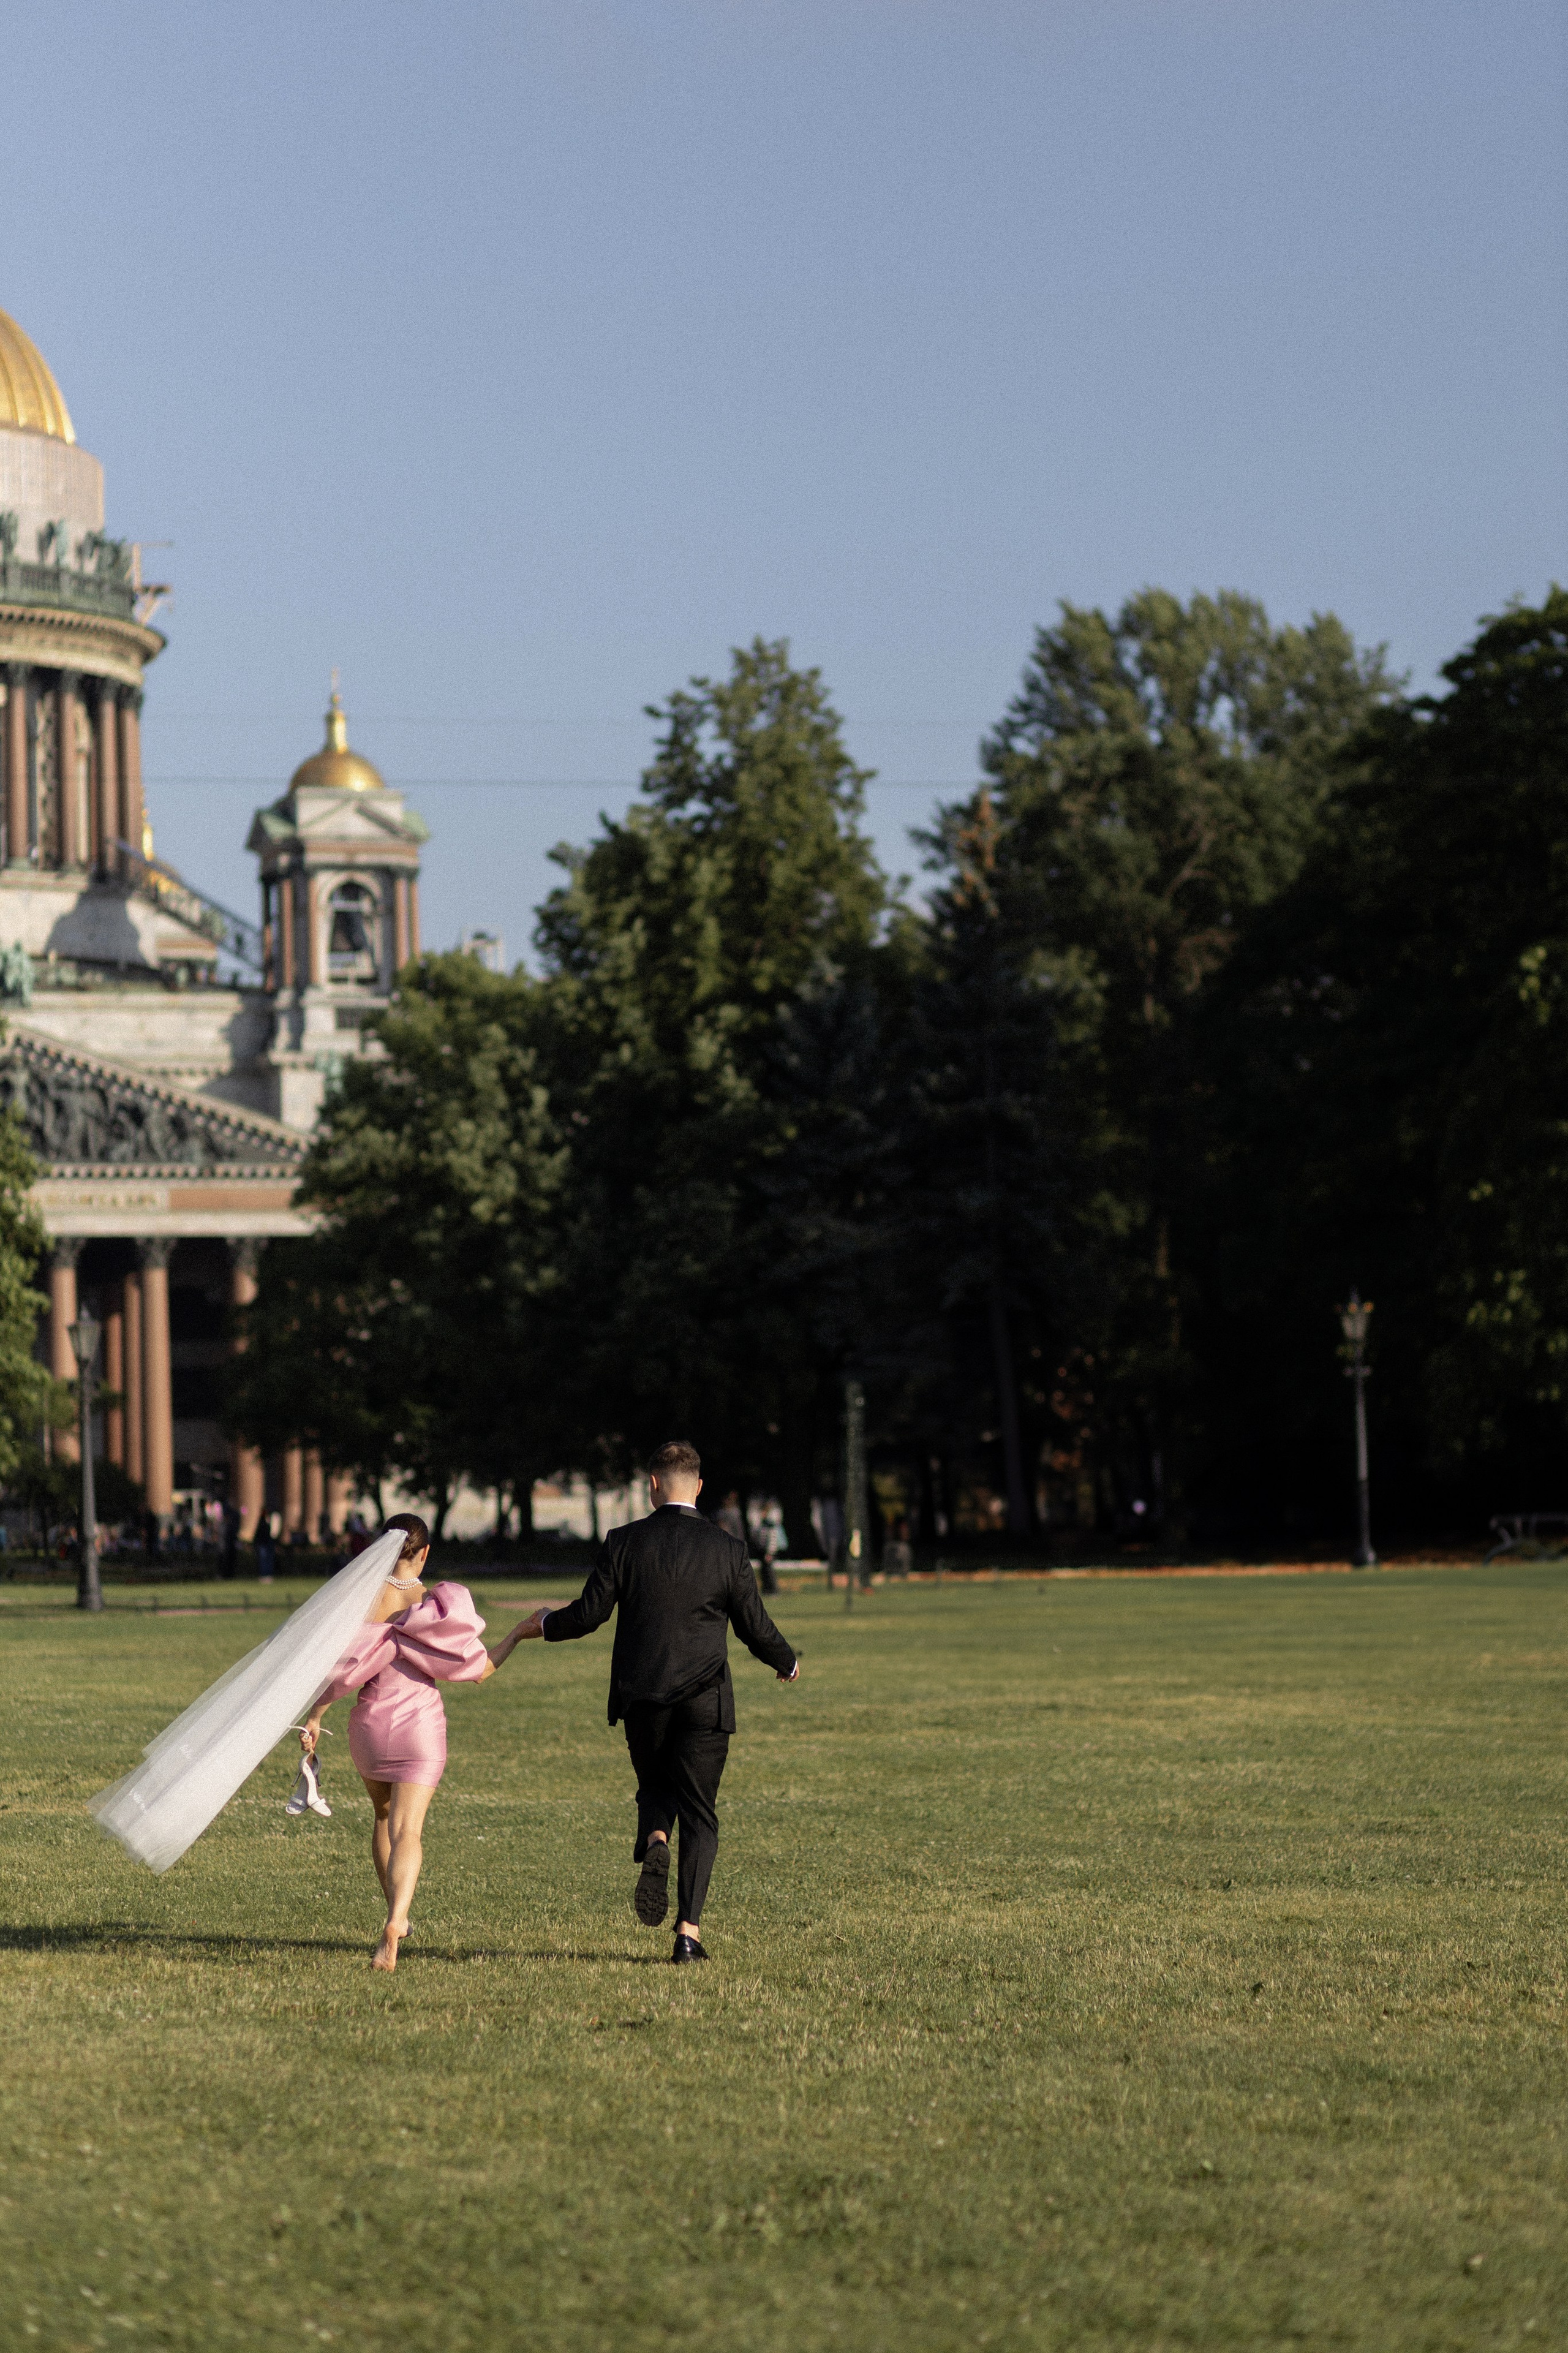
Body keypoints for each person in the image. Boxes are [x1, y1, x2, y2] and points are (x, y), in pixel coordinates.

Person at [519, 1439, 798, 1964]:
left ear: (652, 1485)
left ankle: (654, 1838)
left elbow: (589, 1614)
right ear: (698, 1485)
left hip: (642, 1695)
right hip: (705, 1699)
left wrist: (546, 1622)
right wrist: (787, 1660)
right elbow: (754, 1626)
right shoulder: (728, 1549)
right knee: (700, 1812)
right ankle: (688, 1934)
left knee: (654, 1784)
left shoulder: (623, 1541)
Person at [298, 1513, 533, 1972]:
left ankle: (396, 1918)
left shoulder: (362, 1601)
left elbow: (338, 1674)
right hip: (420, 1728)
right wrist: (520, 1633)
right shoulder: (436, 1605)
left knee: (383, 1816)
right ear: (424, 1553)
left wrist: (315, 1716)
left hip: (369, 1727)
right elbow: (481, 1669)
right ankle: (396, 1919)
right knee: (410, 1830)